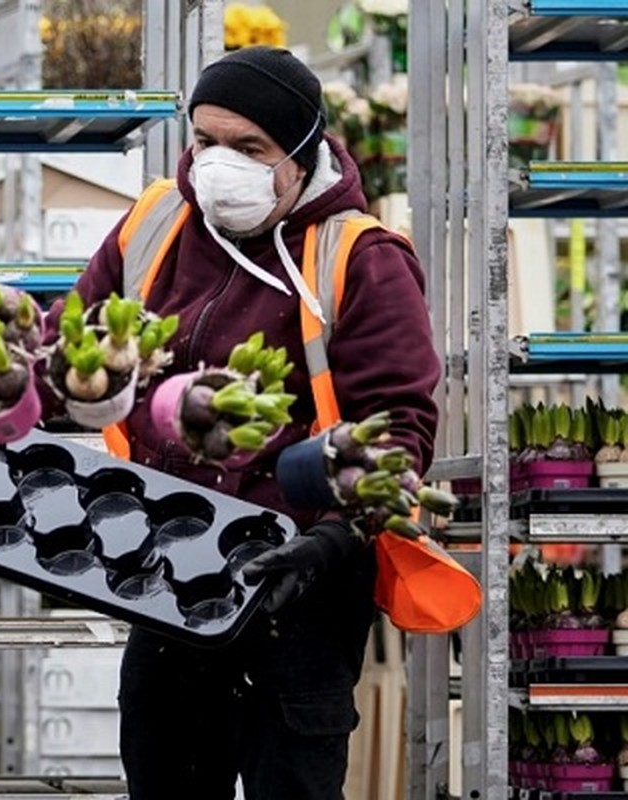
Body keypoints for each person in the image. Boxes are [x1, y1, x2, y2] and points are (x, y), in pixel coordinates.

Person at [38, 46, 441, 799]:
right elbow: (70, 348)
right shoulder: (157, 222)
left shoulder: (360, 257)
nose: (219, 164)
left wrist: (330, 538)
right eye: (205, 141)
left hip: (300, 586)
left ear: (301, 154)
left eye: (249, 148)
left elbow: (399, 429)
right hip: (164, 562)